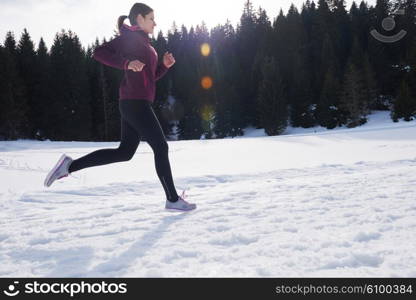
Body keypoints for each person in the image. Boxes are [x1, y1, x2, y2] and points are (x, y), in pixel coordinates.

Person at [44, 3, 196, 211]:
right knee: (161, 147)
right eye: (151, 18)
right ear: (140, 19)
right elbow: (98, 52)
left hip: (135, 102)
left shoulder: (145, 43)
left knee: (124, 152)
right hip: (135, 103)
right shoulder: (129, 38)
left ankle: (69, 166)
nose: (155, 22)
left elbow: (148, 78)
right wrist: (126, 63)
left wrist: (164, 67)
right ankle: (172, 199)